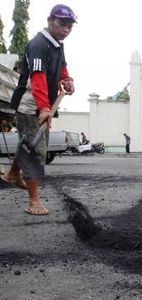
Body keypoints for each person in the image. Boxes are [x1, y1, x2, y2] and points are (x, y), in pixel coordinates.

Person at [0, 4, 77, 216]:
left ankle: (13, 173)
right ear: (50, 20)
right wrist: (44, 108)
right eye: (62, 24)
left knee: (28, 142)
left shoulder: (57, 45)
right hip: (29, 103)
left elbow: (61, 65)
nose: (66, 29)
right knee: (36, 150)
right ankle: (33, 201)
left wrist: (66, 79)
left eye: (70, 26)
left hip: (44, 103)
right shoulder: (38, 45)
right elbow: (37, 78)